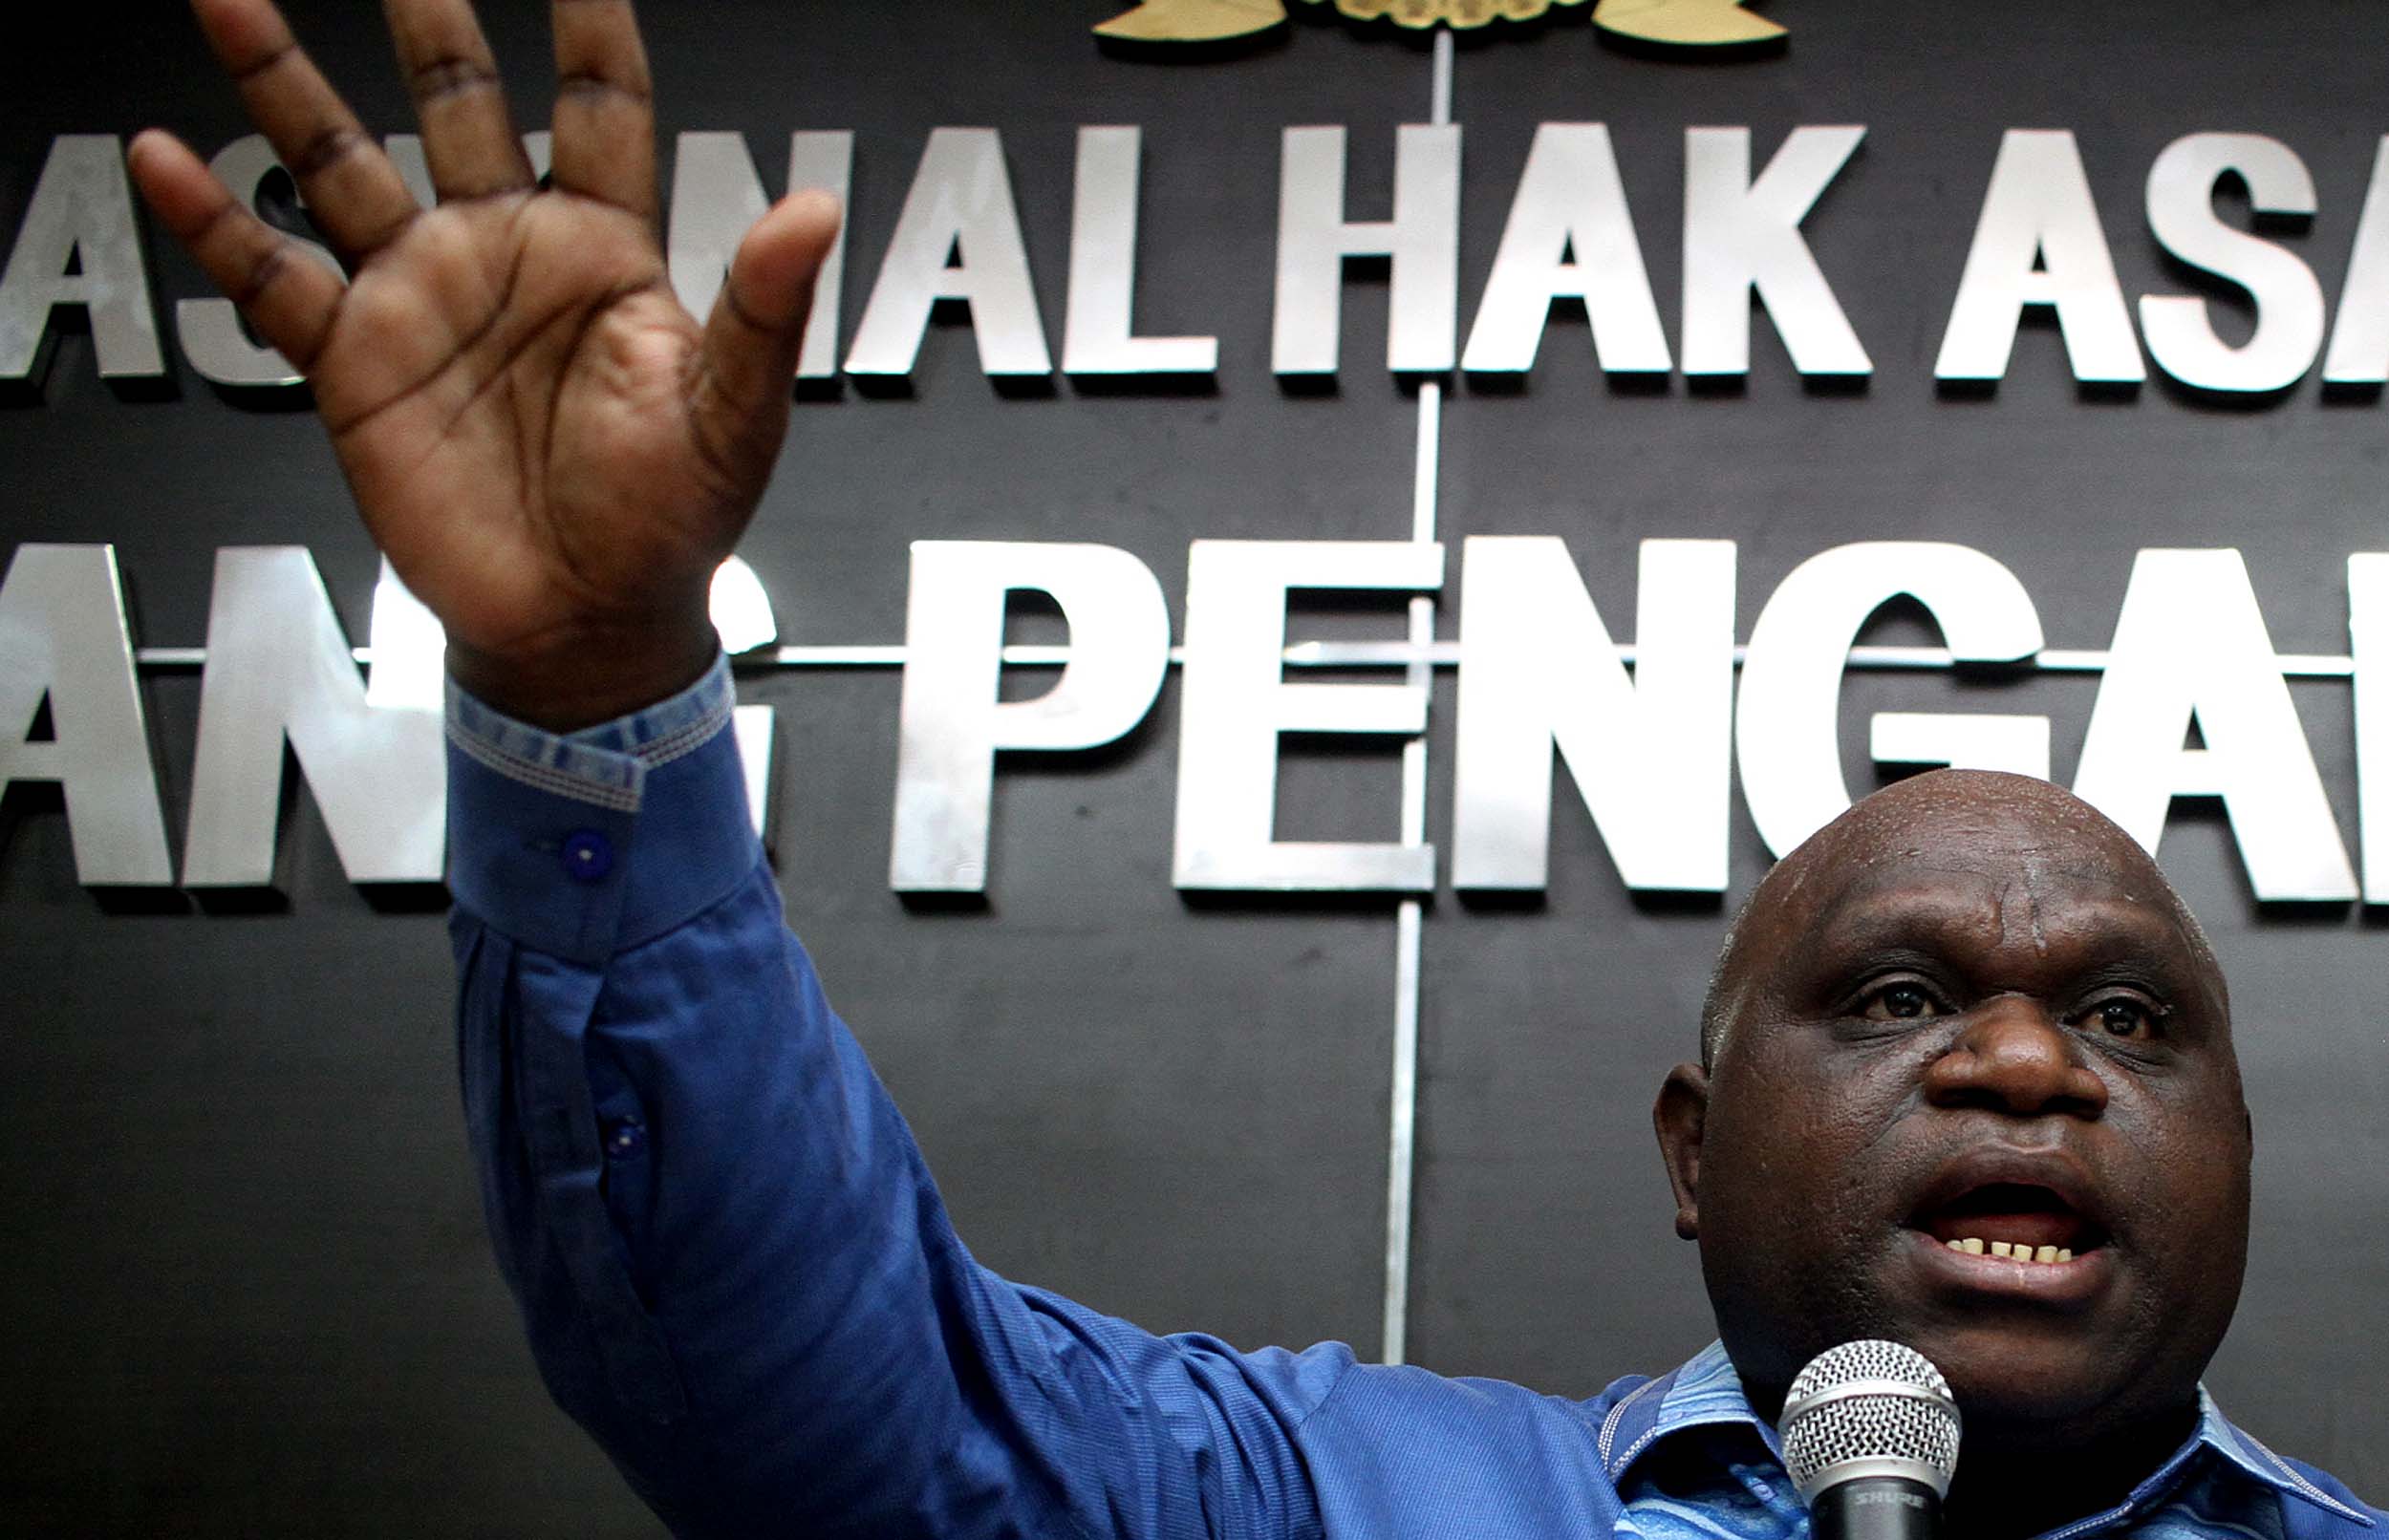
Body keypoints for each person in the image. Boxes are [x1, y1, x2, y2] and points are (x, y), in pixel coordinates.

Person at [128, 1, 2384, 1536]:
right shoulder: (1297, 1492)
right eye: (1893, 994)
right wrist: (593, 674)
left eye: (2123, 1017)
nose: (2024, 1062)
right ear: (1691, 1154)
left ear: (2235, 1154)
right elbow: (804, 1382)